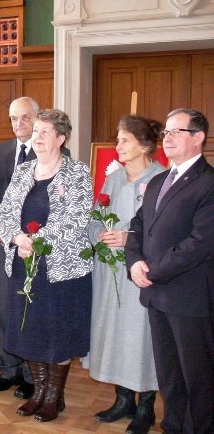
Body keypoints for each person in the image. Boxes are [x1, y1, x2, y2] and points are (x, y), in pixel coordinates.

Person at [0, 109, 93, 423]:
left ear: (61, 138)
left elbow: (76, 220)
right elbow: (5, 213)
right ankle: (38, 391)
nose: (36, 137)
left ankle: (54, 396)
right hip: (24, 265)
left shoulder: (77, 172)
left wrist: (36, 243)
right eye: (35, 131)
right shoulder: (23, 171)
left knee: (57, 331)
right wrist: (18, 238)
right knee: (29, 331)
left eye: (44, 132)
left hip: (61, 270)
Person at [125, 108, 214, 434]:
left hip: (189, 298)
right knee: (169, 375)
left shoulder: (208, 183)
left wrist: (152, 269)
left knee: (197, 378)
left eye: (177, 132)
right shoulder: (161, 179)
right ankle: (173, 426)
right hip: (157, 294)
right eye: (167, 132)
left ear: (198, 138)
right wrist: (134, 261)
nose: (169, 138)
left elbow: (200, 243)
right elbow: (138, 226)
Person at [84, 115, 165, 434]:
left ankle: (145, 406)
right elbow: (96, 217)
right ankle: (122, 400)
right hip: (109, 272)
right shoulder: (114, 179)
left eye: (124, 140)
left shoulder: (161, 179)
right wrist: (99, 235)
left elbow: (165, 231)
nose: (117, 146)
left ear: (145, 146)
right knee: (115, 334)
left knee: (140, 337)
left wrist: (130, 238)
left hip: (141, 272)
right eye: (118, 139)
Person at [0, 97, 67, 399]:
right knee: (4, 308)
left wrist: (32, 238)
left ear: (37, 119)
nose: (19, 124)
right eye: (13, 118)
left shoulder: (58, 154)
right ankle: (7, 369)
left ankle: (31, 376)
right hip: (2, 243)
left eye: (25, 118)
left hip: (38, 247)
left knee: (31, 310)